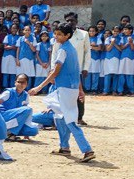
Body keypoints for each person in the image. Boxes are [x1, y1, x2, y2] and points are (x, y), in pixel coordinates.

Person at [31, 22, 95, 162]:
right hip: (69, 88)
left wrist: (39, 87)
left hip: (64, 89)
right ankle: (64, 146)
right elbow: (76, 72)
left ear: (67, 35)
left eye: (60, 34)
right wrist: (80, 90)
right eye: (56, 33)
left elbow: (56, 71)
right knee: (59, 118)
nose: (56, 36)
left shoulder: (63, 50)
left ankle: (87, 150)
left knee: (70, 121)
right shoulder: (71, 49)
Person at [0, 75, 40, 139]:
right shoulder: (8, 92)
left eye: (23, 82)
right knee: (27, 109)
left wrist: (26, 131)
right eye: (19, 82)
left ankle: (7, 132)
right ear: (15, 82)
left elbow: (25, 115)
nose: (20, 84)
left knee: (33, 130)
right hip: (4, 116)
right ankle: (10, 133)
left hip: (15, 120)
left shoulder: (25, 95)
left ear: (27, 84)